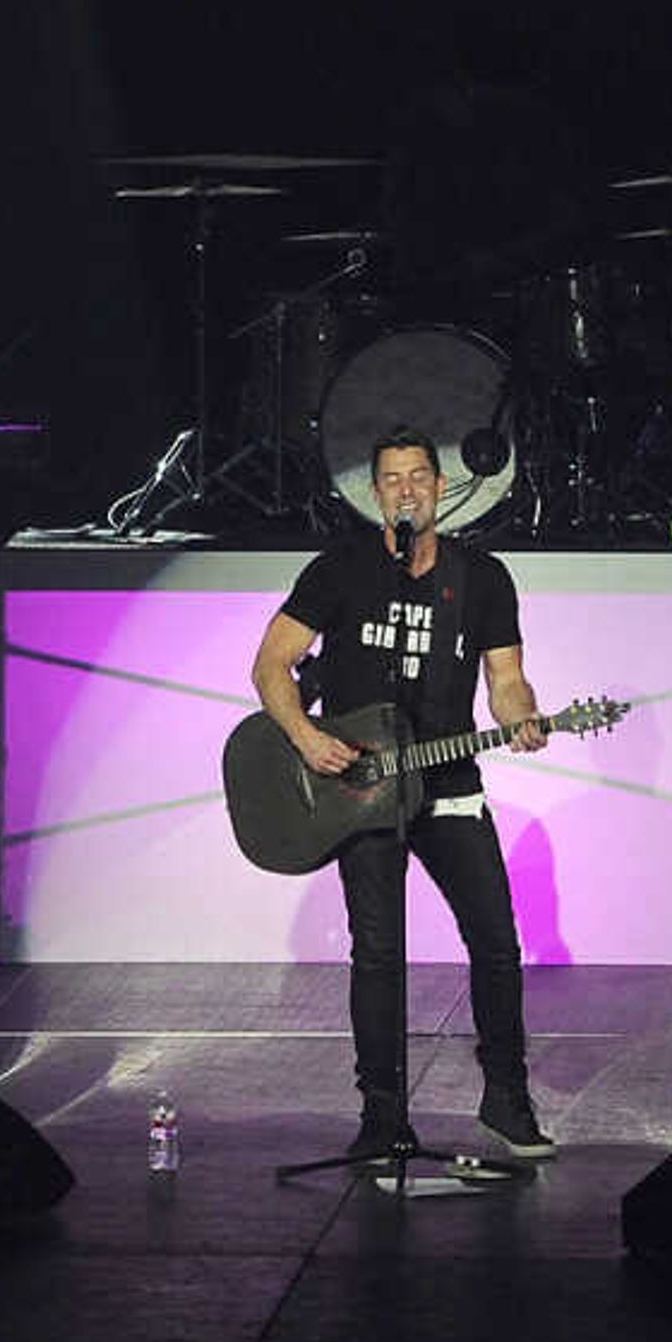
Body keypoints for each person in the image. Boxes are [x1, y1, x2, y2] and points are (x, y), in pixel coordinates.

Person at [251, 425, 557, 1160]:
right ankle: (382, 1114)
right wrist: (305, 736)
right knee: (378, 953)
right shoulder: (341, 569)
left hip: (448, 781)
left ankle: (506, 1097)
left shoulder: (481, 576)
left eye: (420, 476)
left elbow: (506, 679)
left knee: (496, 942)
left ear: (441, 488)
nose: (408, 489)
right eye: (393, 479)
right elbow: (271, 663)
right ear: (376, 493)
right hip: (362, 789)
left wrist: (522, 718)